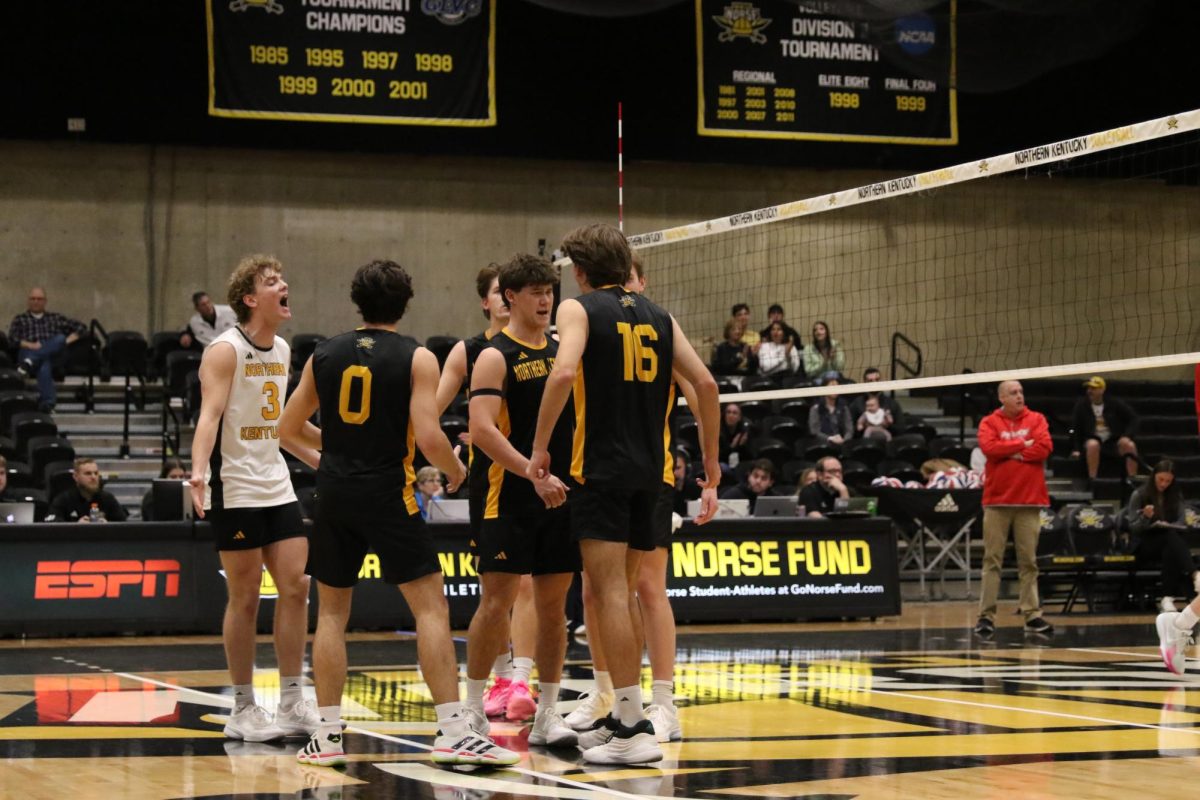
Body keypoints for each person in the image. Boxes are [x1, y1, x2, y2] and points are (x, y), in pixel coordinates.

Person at [278, 259, 518, 768]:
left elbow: (285, 429)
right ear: (405, 303)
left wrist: (331, 456)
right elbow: (429, 436)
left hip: (336, 494)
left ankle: (327, 736)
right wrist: (457, 470)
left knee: (333, 616)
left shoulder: (323, 352)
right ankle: (453, 729)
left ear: (357, 301)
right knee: (430, 608)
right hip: (389, 492)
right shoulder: (417, 357)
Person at [528, 223, 720, 765]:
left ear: (582, 271)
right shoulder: (660, 315)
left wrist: (541, 449)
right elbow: (706, 385)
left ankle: (633, 727)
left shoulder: (580, 309)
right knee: (628, 592)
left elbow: (563, 372)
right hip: (654, 475)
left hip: (603, 472)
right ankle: (626, 717)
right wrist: (709, 465)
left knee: (609, 592)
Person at [187, 254, 320, 744]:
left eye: (281, 278)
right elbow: (209, 416)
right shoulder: (225, 351)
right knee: (244, 598)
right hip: (235, 486)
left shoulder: (282, 349)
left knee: (297, 586)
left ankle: (290, 701)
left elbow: (282, 428)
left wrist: (327, 458)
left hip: (276, 482)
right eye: (271, 282)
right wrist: (198, 472)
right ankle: (242, 707)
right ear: (249, 298)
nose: (283, 284)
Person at [568, 257, 698, 743]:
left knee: (646, 588)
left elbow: (702, 387)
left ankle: (660, 703)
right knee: (597, 593)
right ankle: (613, 696)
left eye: (635, 281)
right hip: (606, 469)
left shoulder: (659, 326)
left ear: (642, 284)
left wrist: (708, 472)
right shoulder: (599, 327)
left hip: (650, 473)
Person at [463, 253, 580, 749]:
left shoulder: (564, 352)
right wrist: (529, 472)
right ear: (509, 297)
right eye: (535, 291)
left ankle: (549, 710)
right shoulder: (495, 354)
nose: (545, 299)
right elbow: (482, 431)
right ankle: (469, 709)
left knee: (554, 609)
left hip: (559, 495)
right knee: (497, 603)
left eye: (550, 291)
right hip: (507, 495)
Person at [433, 264, 534, 723]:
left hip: (535, 477)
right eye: (497, 293)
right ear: (486, 301)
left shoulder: (540, 348)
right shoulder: (470, 352)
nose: (504, 300)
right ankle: (498, 677)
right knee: (497, 590)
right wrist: (475, 434)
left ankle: (518, 679)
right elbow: (427, 412)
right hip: (491, 483)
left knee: (531, 583)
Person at [974, 380, 1054, 637]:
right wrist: (1023, 445)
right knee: (992, 560)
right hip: (997, 502)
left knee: (1029, 562)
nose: (1019, 396)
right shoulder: (989, 422)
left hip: (1029, 501)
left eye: (1021, 391)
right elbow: (989, 449)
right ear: (1001, 398)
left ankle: (1032, 615)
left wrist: (1010, 452)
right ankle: (986, 617)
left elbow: (1045, 448)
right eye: (1013, 393)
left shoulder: (1037, 418)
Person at [1126, 461, 1197, 612]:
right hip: (1145, 544)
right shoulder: (1139, 494)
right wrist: (1145, 517)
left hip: (1168, 543)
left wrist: (1169, 525)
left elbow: (1182, 521)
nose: (1164, 484)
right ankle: (1194, 574)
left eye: (1168, 481)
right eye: (1161, 479)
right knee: (1171, 540)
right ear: (1153, 477)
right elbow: (1133, 529)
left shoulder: (1176, 496)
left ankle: (1167, 599)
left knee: (1170, 545)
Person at [9, 287, 87, 412]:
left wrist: (63, 342)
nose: (36, 301)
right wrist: (31, 345)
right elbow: (12, 340)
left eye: (39, 299)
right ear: (28, 301)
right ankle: (48, 404)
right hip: (28, 351)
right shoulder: (20, 319)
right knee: (44, 362)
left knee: (60, 338)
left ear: (45, 301)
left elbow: (82, 328)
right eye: (33, 299)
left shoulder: (55, 318)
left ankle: (30, 362)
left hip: (53, 355)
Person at [1070, 376, 1139, 479]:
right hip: (1092, 439)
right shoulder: (1081, 406)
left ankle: (1132, 478)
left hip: (1113, 441)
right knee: (1093, 445)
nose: (1090, 391)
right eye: (1089, 388)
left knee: (1130, 445)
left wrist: (1127, 436)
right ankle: (1093, 479)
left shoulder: (1115, 403)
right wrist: (1076, 449)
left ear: (1102, 390)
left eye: (1093, 389)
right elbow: (1076, 428)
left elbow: (1134, 419)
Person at [45, 457, 128, 523]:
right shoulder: (64, 499)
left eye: (96, 473)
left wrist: (108, 526)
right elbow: (50, 523)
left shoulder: (108, 498)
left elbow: (124, 525)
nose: (93, 477)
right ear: (76, 477)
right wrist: (75, 527)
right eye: (88, 473)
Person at [808, 377, 853, 445]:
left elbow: (849, 429)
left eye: (837, 387)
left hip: (841, 443)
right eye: (832, 387)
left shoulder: (844, 407)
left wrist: (844, 440)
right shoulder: (815, 408)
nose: (835, 390)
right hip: (822, 443)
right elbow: (814, 431)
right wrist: (830, 438)